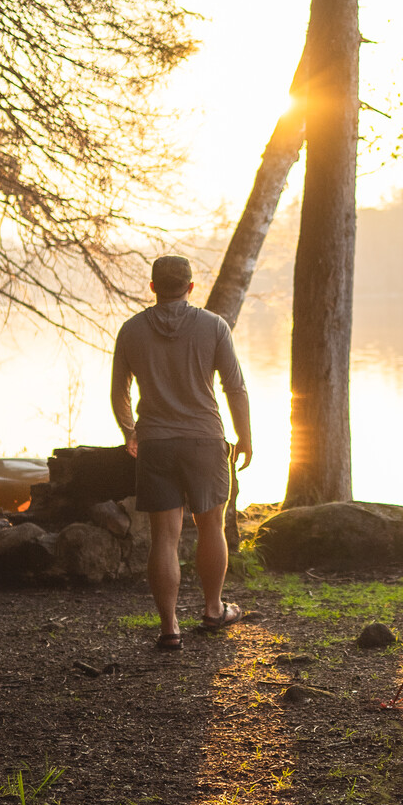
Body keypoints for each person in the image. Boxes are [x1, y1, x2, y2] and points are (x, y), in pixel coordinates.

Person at [111, 254, 254, 652]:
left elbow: (118, 392)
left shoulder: (131, 330)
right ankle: (213, 610)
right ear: (191, 287)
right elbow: (235, 387)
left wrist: (130, 432)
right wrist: (245, 436)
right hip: (205, 440)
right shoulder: (213, 326)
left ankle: (169, 628)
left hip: (155, 442)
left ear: (153, 287)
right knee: (211, 526)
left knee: (164, 537)